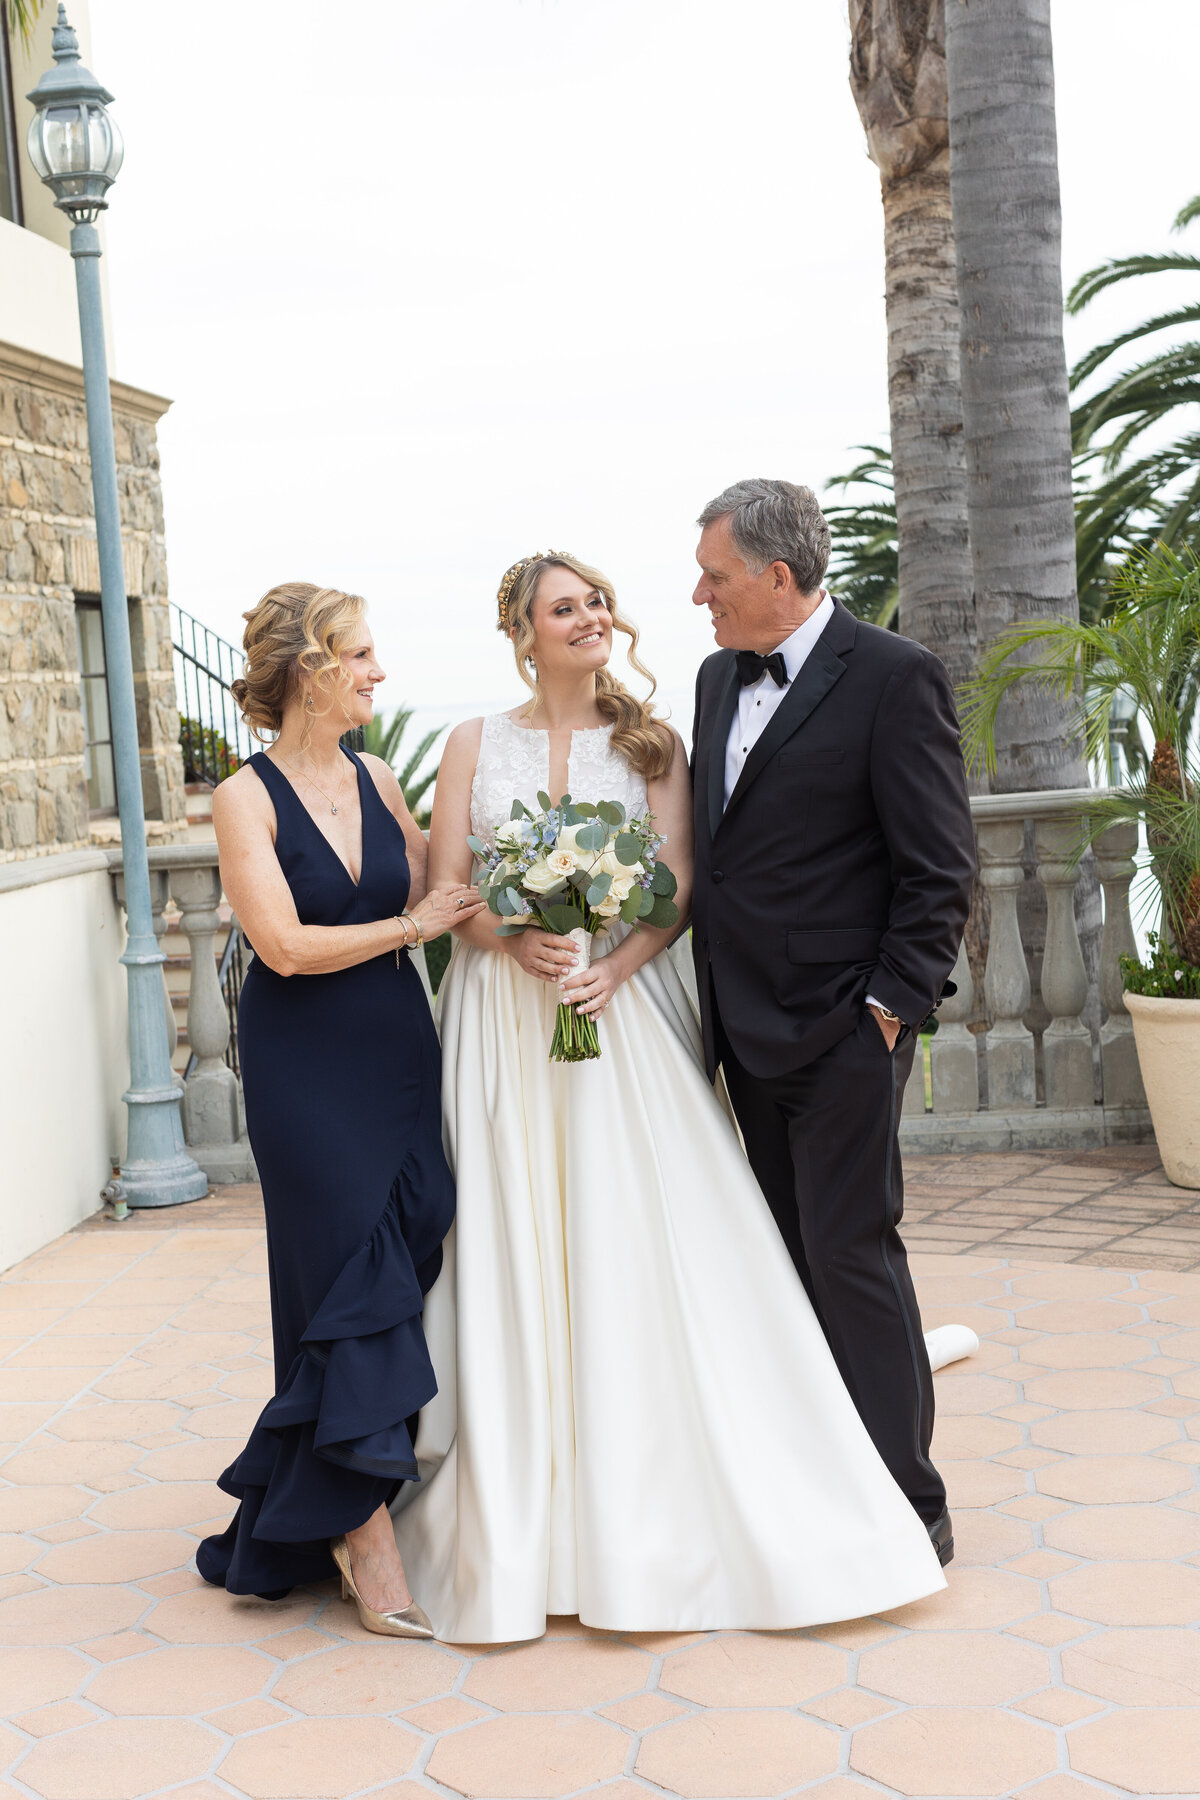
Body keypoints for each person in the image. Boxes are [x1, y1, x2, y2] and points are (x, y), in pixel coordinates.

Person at [390, 550, 947, 1644]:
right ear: (523, 630)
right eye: (566, 607)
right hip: (503, 1026)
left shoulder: (655, 741)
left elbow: (684, 882)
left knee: (640, 1236)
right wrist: (514, 937)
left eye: (597, 600)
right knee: (515, 1243)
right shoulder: (471, 744)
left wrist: (615, 963)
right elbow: (448, 887)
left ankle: (674, 1477)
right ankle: (524, 1491)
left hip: (618, 1012)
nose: (593, 616)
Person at [690, 479, 977, 1567]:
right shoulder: (718, 677)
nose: (699, 595)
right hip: (741, 1028)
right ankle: (818, 1479)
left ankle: (912, 1505)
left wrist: (891, 1010)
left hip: (847, 1029)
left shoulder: (895, 677)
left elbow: (940, 867)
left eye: (715, 576)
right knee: (784, 1259)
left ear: (775, 575)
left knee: (854, 1253)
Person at [195, 581, 484, 1636]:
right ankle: (367, 1543)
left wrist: (549, 871)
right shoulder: (246, 797)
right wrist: (413, 932)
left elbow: (438, 885)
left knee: (407, 1241)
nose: (377, 673)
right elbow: (282, 946)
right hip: (304, 1065)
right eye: (360, 655)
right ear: (310, 668)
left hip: (397, 1049)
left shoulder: (376, 772)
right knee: (342, 1272)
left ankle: (334, 1498)